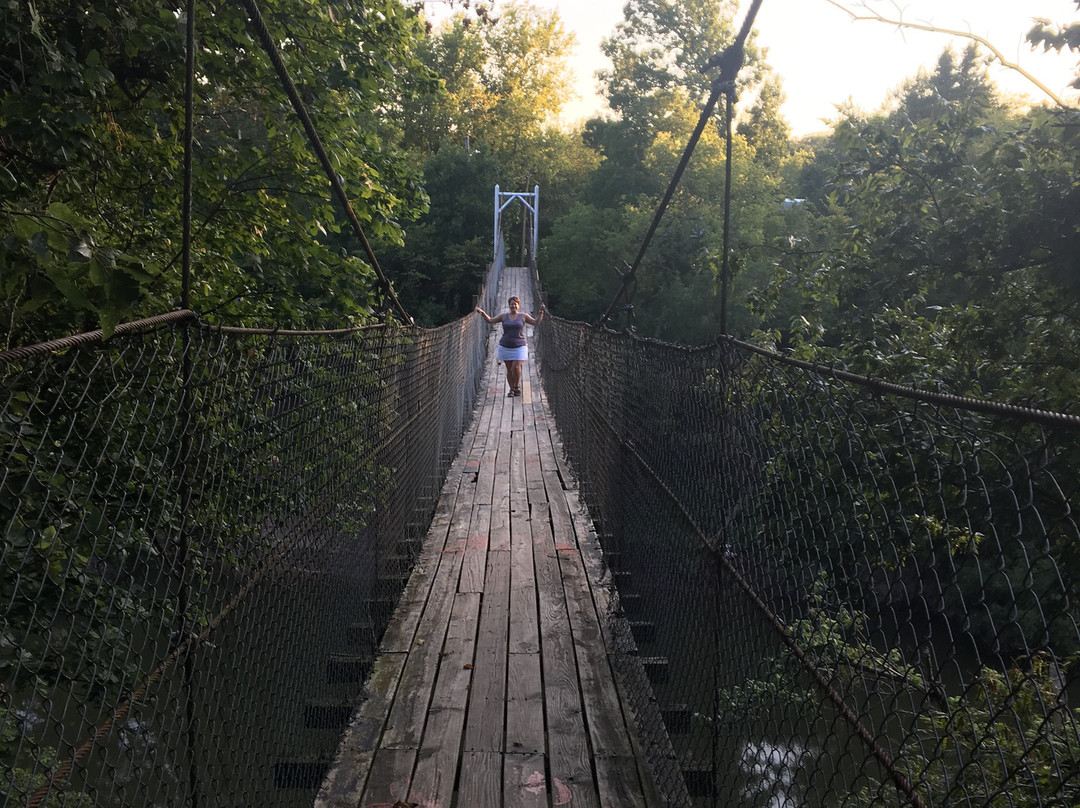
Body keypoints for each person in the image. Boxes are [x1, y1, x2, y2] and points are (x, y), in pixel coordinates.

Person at [475, 295, 545, 396]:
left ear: (518, 305)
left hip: (520, 346)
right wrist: (482, 312)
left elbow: (535, 322)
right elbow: (490, 320)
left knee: (515, 367)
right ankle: (512, 389)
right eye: (511, 304)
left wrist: (541, 313)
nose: (513, 306)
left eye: (515, 304)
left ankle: (517, 386)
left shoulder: (523, 316)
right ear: (509, 305)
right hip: (505, 346)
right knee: (509, 369)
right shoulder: (504, 316)